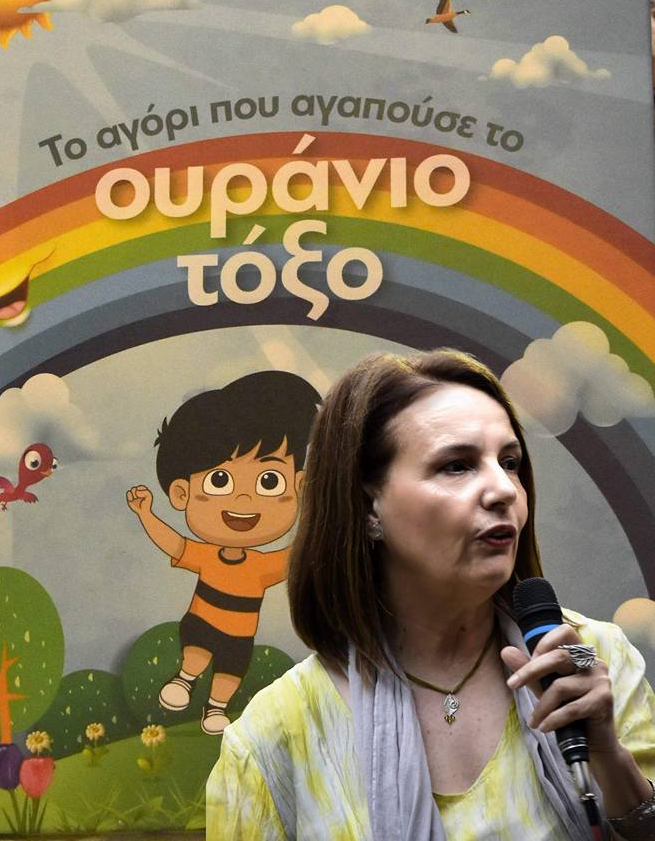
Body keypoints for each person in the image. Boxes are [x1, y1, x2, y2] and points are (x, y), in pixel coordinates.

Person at [206, 349, 655, 839]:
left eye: (509, 463)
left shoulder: (593, 658)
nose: (504, 490)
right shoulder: (274, 737)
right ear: (368, 507)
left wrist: (608, 757)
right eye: (457, 466)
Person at [126, 370, 320, 735]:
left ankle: (216, 708)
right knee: (197, 650)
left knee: (231, 672)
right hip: (202, 622)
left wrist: (320, 509)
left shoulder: (264, 565)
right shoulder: (205, 555)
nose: (244, 499)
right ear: (182, 493)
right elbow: (172, 542)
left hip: (240, 637)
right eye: (220, 480)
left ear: (298, 485)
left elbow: (303, 550)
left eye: (269, 481)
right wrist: (145, 513)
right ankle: (185, 678)